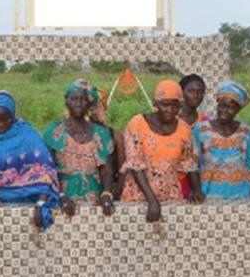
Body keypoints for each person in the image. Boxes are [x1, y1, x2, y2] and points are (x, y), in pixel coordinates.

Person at [0, 90, 61, 229]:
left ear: (13, 116)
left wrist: (41, 203)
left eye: (6, 119)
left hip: (25, 205)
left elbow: (46, 172)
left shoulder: (26, 133)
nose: (1, 125)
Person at [121, 80, 202, 222]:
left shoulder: (184, 129)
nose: (170, 110)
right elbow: (135, 164)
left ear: (181, 105)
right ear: (155, 103)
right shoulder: (138, 124)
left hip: (170, 197)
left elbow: (188, 162)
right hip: (139, 196)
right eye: (165, 104)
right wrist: (152, 200)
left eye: (175, 105)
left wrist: (196, 190)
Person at [42, 79, 115, 217]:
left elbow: (106, 170)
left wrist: (106, 194)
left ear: (89, 103)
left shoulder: (101, 133)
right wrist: (60, 196)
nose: (78, 103)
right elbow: (47, 170)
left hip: (95, 200)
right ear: (66, 102)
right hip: (62, 200)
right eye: (73, 99)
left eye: (83, 99)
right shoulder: (53, 132)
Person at [193, 81, 250, 201]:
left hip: (242, 194)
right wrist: (197, 190)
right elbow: (193, 163)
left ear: (238, 110)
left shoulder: (246, 131)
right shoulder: (201, 129)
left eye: (231, 108)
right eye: (221, 106)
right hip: (208, 194)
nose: (224, 111)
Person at [90, 87, 127, 200]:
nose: (95, 112)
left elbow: (123, 171)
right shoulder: (78, 136)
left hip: (109, 192)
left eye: (100, 107)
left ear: (105, 109)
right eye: (92, 107)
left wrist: (115, 195)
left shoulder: (116, 136)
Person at [178, 74, 210, 199]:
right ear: (181, 92)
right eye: (191, 91)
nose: (196, 95)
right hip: (175, 179)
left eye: (200, 92)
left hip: (199, 181)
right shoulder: (170, 119)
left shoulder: (206, 123)